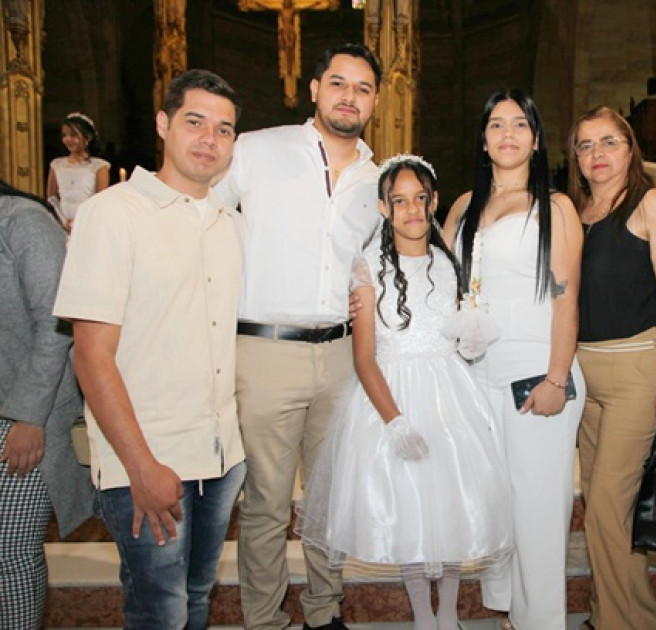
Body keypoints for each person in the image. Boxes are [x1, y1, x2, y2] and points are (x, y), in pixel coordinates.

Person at [52, 69, 246, 629]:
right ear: (163, 124)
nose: (209, 138)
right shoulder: (111, 215)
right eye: (195, 122)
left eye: (225, 129)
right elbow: (90, 354)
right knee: (157, 611)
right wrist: (140, 466)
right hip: (150, 460)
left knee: (196, 600)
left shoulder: (228, 224)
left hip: (220, 458)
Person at [297, 155, 512, 630]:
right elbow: (364, 357)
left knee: (451, 505)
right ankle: (422, 616)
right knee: (412, 509)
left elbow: (459, 334)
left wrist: (472, 337)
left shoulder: (449, 262)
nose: (412, 210)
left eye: (420, 199)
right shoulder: (367, 268)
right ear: (383, 207)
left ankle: (450, 614)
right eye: (400, 201)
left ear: (433, 202)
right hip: (391, 394)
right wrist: (394, 421)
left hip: (448, 392)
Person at [214, 42, 382, 630]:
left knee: (330, 497)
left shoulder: (379, 179)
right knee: (265, 500)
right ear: (314, 89)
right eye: (338, 83)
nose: (349, 96)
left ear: (376, 100)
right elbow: (201, 219)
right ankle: (262, 617)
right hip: (265, 350)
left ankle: (323, 609)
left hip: (342, 354)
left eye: (362, 88)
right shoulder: (257, 150)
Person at [442, 89, 585, 630]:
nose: (507, 134)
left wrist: (556, 377)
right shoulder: (461, 208)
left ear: (536, 138)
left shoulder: (557, 207)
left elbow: (568, 298)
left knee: (539, 513)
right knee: (496, 503)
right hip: (476, 374)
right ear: (483, 138)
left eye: (519, 124)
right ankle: (508, 613)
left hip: (536, 370)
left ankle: (541, 622)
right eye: (496, 124)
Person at [564, 106, 656, 630]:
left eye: (609, 142)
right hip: (584, 377)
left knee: (608, 512)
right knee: (604, 510)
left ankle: (624, 624)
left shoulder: (651, 204)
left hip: (638, 369)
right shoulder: (574, 213)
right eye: (586, 145)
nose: (598, 155)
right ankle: (614, 614)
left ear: (630, 148)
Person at [0, 179, 94, 627]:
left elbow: (58, 324)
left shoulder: (22, 222)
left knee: (11, 551)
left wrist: (29, 418)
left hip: (23, 419)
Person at [46, 112, 110, 232]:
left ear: (87, 137)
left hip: (89, 223)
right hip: (61, 223)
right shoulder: (56, 165)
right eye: (64, 135)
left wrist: (79, 221)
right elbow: (52, 198)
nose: (68, 139)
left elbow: (101, 200)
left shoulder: (99, 166)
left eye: (73, 135)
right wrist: (63, 221)